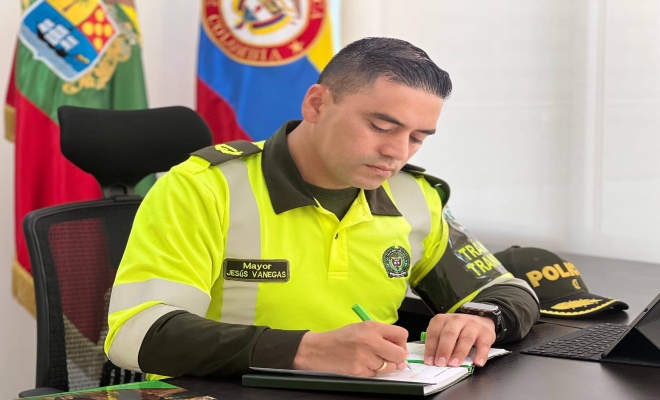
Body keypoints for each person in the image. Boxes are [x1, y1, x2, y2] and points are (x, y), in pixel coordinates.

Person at [104, 37, 540, 379]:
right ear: (316, 104)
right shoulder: (204, 187)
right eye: (381, 126)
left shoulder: (413, 196)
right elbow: (135, 335)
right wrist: (306, 350)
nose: (396, 152)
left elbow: (510, 291)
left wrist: (483, 319)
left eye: (417, 138)